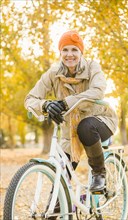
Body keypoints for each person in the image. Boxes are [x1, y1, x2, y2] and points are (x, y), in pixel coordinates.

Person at [24, 30, 118, 194]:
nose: (69, 55)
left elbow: (98, 91)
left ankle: (98, 172)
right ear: (60, 52)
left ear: (81, 52)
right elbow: (30, 98)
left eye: (74, 50)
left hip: (100, 120)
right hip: (70, 133)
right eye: (65, 50)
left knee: (85, 126)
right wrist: (45, 105)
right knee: (60, 180)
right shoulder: (54, 73)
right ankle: (54, 211)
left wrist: (65, 103)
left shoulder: (92, 67)